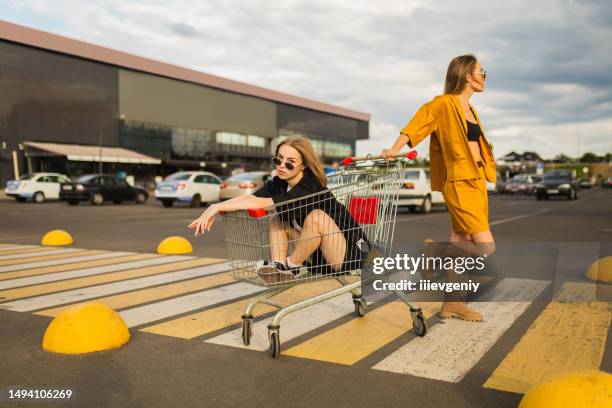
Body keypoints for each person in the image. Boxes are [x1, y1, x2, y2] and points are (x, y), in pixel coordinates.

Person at [382, 54, 496, 322]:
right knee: (486, 246)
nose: (484, 76)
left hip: (476, 181)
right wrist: (394, 148)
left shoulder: (472, 110)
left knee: (462, 242)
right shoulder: (444, 103)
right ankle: (433, 251)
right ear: (468, 75)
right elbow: (419, 121)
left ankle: (452, 304)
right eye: (482, 71)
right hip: (458, 182)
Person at [189, 136, 366, 283]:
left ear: (303, 165)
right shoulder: (280, 184)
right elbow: (252, 198)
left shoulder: (310, 186)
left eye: (290, 163)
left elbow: (263, 204)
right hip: (315, 256)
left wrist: (218, 206)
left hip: (342, 256)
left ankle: (291, 266)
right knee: (278, 220)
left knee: (316, 216)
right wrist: (216, 207)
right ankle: (280, 267)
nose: (282, 165)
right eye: (278, 159)